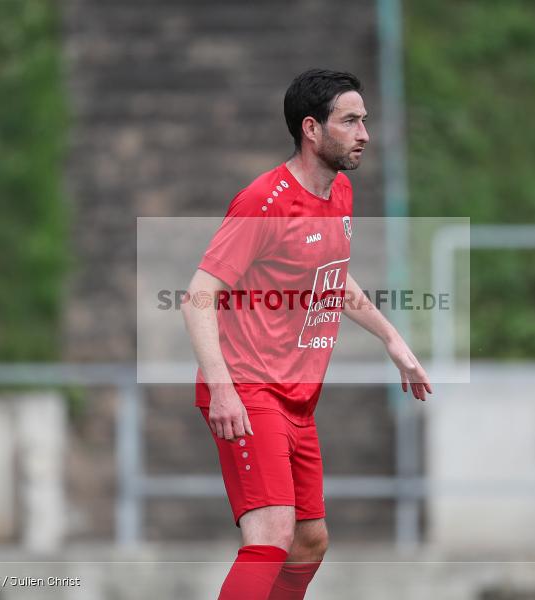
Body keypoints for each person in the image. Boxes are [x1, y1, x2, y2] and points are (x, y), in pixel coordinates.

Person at [181, 69, 432, 599]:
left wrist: (391, 338)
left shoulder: (340, 192)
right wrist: (223, 389)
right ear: (311, 130)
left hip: (297, 398)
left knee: (309, 542)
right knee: (271, 536)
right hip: (249, 389)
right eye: (350, 121)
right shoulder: (264, 202)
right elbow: (198, 296)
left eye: (365, 120)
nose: (364, 133)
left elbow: (331, 275)